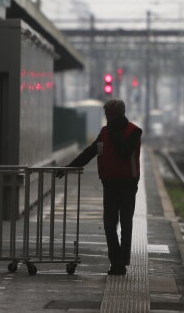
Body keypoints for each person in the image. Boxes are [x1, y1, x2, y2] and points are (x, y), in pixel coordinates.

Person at [58, 98, 142, 276]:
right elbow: (90, 152)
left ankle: (121, 263)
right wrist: (68, 168)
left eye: (109, 115)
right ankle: (115, 260)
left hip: (128, 185)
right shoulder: (104, 132)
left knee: (126, 225)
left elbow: (125, 153)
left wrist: (114, 134)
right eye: (106, 115)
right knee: (109, 225)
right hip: (109, 184)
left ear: (117, 115)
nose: (107, 118)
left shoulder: (134, 131)